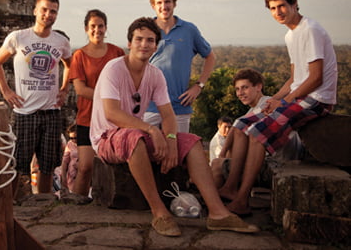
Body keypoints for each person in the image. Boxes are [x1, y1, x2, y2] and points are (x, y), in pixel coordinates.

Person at [90, 17, 258, 237]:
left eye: (150, 40)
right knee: (134, 137)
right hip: (106, 137)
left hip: (134, 133)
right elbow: (112, 113)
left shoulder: (155, 75)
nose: (144, 44)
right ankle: (159, 212)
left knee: (191, 141)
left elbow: (168, 114)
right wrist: (151, 130)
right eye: (138, 39)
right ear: (129, 43)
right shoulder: (114, 69)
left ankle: (218, 213)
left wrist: (170, 139)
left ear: (156, 45)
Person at [223, 0, 337, 216]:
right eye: (273, 8)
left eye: (282, 6)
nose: (278, 12)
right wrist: (272, 100)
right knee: (242, 125)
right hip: (300, 95)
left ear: (295, 4)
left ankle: (243, 199)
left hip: (317, 98)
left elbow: (315, 79)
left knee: (257, 132)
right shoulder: (290, 35)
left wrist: (285, 102)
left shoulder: (310, 29)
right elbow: (295, 79)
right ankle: (230, 188)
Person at [0, 0, 72, 194]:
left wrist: (64, 89)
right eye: (44, 9)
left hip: (51, 111)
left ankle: (42, 204)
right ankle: (11, 203)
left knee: (47, 165)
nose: (48, 14)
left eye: (53, 11)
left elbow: (70, 65)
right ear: (35, 11)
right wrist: (6, 90)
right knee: (18, 163)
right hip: (24, 111)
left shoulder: (60, 41)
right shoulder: (18, 38)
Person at [144, 0, 216, 133]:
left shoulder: (189, 30)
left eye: (167, 1)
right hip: (149, 106)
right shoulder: (145, 29)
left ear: (174, 3)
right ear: (153, 6)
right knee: (146, 151)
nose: (164, 6)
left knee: (178, 153)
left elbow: (210, 56)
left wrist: (198, 86)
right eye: (159, 3)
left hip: (179, 106)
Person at [68, 9, 125, 199]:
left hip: (113, 118)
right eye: (93, 26)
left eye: (100, 26)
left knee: (112, 165)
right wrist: (107, 99)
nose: (97, 30)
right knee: (85, 167)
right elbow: (80, 89)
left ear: (106, 28)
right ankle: (77, 205)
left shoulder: (116, 52)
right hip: (87, 118)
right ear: (86, 28)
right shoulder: (79, 56)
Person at [60, 124, 79, 194]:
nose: (74, 140)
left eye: (76, 138)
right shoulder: (70, 144)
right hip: (72, 175)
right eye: (71, 138)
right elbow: (65, 161)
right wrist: (63, 176)